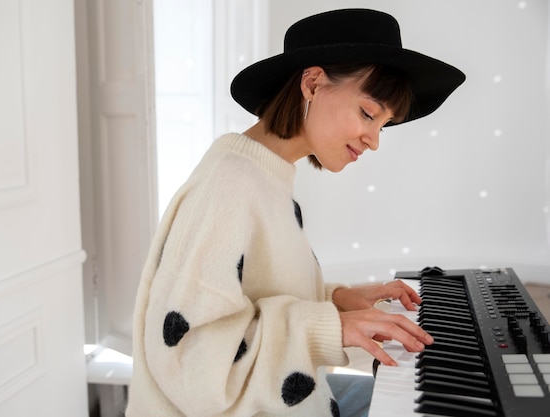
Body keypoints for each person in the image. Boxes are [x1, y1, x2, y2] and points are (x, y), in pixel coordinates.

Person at [125, 8, 465, 417]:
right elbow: (188, 356)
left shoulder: (264, 174)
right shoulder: (230, 185)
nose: (374, 141)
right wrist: (331, 326)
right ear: (313, 83)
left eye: (383, 125)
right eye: (369, 114)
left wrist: (337, 300)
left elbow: (249, 294)